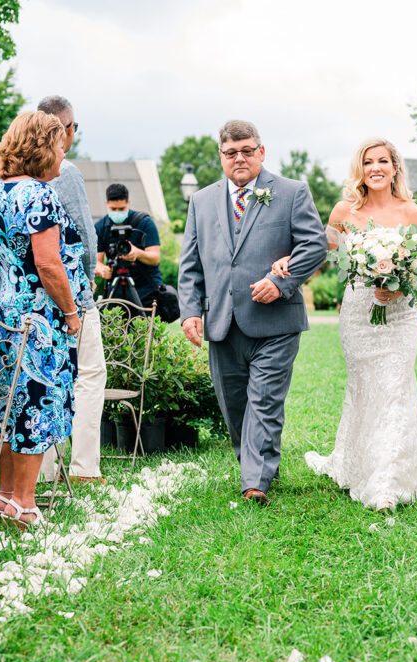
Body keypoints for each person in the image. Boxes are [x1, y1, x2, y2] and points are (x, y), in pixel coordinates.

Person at [287, 139, 417, 511]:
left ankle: (385, 480)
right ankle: (360, 462)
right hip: (358, 313)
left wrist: (398, 291)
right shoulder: (343, 211)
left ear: (395, 167)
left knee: (396, 387)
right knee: (366, 387)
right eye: (369, 162)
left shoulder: (413, 212)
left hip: (400, 316)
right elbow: (321, 251)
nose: (376, 167)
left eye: (383, 161)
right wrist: (285, 264)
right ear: (360, 169)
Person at [177, 120, 327, 506]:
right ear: (221, 156)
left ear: (261, 151)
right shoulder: (202, 201)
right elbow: (191, 264)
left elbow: (314, 246)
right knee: (234, 404)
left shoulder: (292, 192)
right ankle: (257, 465)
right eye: (231, 152)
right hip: (222, 321)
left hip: (276, 321)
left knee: (264, 400)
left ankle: (255, 483)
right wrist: (190, 311)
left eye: (247, 150)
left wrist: (280, 283)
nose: (239, 158)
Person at [0, 111, 85, 528]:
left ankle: (6, 496)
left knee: (11, 406)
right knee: (38, 407)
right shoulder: (40, 195)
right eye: (60, 144)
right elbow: (48, 264)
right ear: (43, 147)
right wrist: (71, 311)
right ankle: (25, 504)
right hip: (40, 319)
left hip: (6, 314)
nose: (64, 152)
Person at [34, 95, 106, 485]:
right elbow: (83, 233)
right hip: (70, 296)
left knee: (45, 380)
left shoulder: (17, 177)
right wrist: (88, 281)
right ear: (68, 129)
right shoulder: (68, 172)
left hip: (31, 300)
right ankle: (83, 468)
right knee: (90, 375)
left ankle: (43, 469)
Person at [95, 183, 162, 307]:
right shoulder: (101, 227)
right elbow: (96, 262)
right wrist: (102, 269)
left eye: (121, 209)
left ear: (128, 203)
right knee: (114, 324)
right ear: (106, 205)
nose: (117, 213)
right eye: (113, 209)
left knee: (144, 325)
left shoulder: (144, 223)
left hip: (146, 287)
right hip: (115, 287)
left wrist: (137, 253)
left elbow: (155, 258)